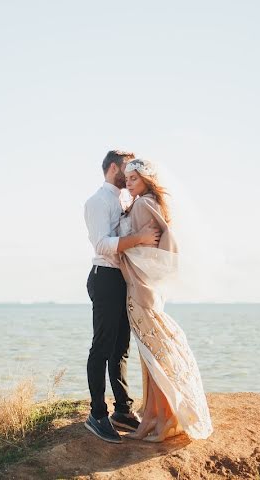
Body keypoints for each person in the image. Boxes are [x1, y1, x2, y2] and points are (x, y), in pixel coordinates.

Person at [118, 158, 213, 442]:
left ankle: (163, 420)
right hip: (145, 286)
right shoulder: (145, 203)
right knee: (150, 355)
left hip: (141, 288)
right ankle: (152, 418)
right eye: (127, 178)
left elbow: (152, 247)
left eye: (133, 178)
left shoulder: (144, 204)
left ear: (147, 180)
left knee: (154, 355)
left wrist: (130, 244)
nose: (128, 183)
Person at [83, 150, 162, 444]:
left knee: (121, 348)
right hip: (104, 278)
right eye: (126, 169)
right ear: (113, 167)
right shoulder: (97, 202)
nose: (130, 176)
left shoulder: (126, 200)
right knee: (101, 347)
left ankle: (123, 409)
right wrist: (140, 239)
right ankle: (97, 414)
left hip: (123, 279)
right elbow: (103, 245)